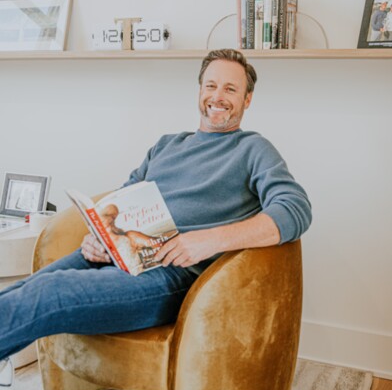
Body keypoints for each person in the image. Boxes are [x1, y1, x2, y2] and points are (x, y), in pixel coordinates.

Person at [0, 49, 312, 362]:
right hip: (123, 257)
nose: (218, 96)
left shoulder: (253, 149)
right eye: (211, 86)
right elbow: (120, 203)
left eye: (230, 89)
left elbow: (295, 208)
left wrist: (209, 240)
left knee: (49, 292)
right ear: (200, 91)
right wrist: (101, 238)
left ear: (247, 100)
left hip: (171, 277)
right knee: (26, 287)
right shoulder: (166, 145)